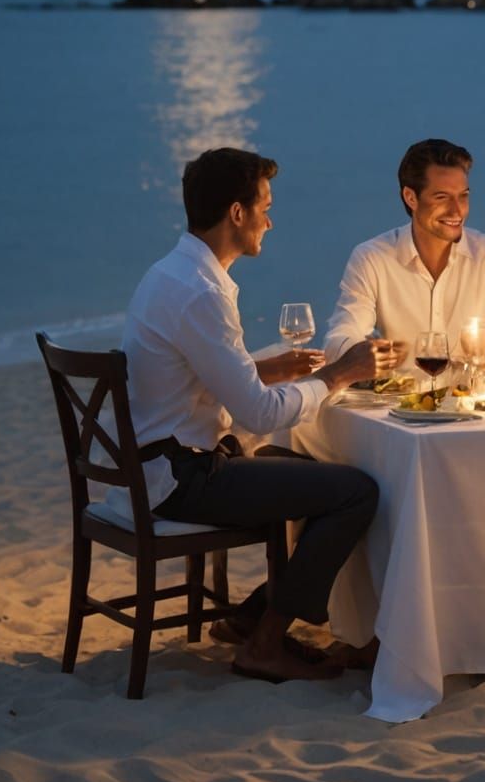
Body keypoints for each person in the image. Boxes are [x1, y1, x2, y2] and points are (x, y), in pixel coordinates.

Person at [112, 146, 400, 683]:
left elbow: (196, 376)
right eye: (264, 206)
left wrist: (266, 367)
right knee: (355, 492)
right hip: (182, 477)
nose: (271, 218)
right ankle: (265, 643)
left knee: (315, 477)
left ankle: (251, 616)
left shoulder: (170, 273)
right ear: (237, 213)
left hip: (159, 462)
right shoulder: (201, 293)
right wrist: (338, 375)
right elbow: (260, 414)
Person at [324, 137, 485, 363]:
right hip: (401, 397)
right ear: (411, 197)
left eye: (463, 196)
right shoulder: (373, 258)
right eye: (442, 197)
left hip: (471, 395)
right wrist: (359, 351)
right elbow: (342, 335)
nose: (457, 210)